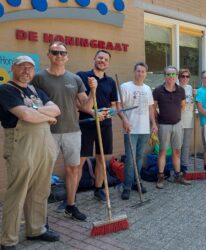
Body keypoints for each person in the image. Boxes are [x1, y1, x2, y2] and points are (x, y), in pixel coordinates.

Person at [31, 41, 97, 221]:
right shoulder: (38, 78)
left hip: (73, 131)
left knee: (73, 169)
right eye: (55, 52)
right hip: (48, 132)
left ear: (67, 57)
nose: (59, 56)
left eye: (62, 53)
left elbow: (85, 106)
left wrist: (93, 91)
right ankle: (39, 215)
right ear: (49, 55)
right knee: (43, 172)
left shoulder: (75, 79)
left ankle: (71, 205)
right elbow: (31, 104)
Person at [0, 56, 61, 249]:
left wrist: (38, 112)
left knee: (41, 190)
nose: (26, 70)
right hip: (21, 145)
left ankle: (36, 229)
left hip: (44, 145)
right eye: (22, 67)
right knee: (17, 193)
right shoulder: (6, 89)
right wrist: (46, 116)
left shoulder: (36, 90)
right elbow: (25, 115)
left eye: (30, 67)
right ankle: (8, 240)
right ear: (13, 68)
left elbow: (57, 109)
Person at [77, 50, 118, 202]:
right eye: (100, 57)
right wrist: (93, 112)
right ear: (94, 58)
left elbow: (113, 105)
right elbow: (78, 103)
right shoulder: (82, 76)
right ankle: (71, 196)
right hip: (86, 125)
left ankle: (98, 188)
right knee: (79, 161)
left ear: (108, 63)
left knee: (101, 158)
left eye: (106, 59)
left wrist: (111, 111)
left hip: (105, 125)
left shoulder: (111, 82)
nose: (102, 61)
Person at [118, 62, 157, 200]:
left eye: (143, 71)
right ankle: (127, 186)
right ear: (134, 72)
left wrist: (153, 123)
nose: (140, 73)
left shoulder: (147, 89)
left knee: (140, 157)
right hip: (131, 129)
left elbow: (151, 108)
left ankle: (136, 181)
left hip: (144, 129)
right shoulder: (125, 87)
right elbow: (119, 107)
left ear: (146, 74)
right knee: (130, 158)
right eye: (138, 71)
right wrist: (124, 119)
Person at [153, 66, 191, 189]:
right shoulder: (158, 90)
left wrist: (175, 115)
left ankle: (177, 176)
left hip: (177, 124)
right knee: (162, 151)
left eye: (173, 74)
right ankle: (160, 177)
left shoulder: (181, 90)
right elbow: (153, 108)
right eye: (169, 74)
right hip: (163, 125)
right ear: (165, 76)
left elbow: (183, 106)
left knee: (177, 152)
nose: (171, 77)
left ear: (176, 76)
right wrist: (157, 121)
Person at [178, 68, 195, 170]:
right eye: (183, 76)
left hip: (189, 120)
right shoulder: (176, 88)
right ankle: (176, 166)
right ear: (179, 77)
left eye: (187, 76)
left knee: (186, 145)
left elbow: (193, 103)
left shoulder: (190, 88)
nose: (185, 78)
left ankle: (184, 165)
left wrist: (194, 96)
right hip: (179, 120)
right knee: (177, 145)